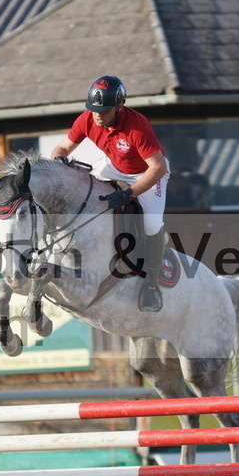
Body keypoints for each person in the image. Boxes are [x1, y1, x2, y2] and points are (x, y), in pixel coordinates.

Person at [50, 76, 170, 312]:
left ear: (119, 106)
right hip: (113, 165)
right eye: (94, 110)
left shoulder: (137, 126)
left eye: (104, 111)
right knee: (81, 190)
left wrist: (130, 194)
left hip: (145, 172)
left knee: (152, 225)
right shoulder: (87, 118)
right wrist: (59, 162)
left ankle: (152, 284)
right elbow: (62, 148)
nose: (97, 115)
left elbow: (158, 167)